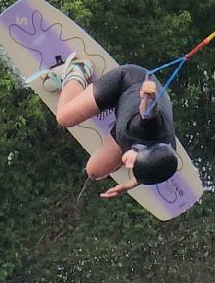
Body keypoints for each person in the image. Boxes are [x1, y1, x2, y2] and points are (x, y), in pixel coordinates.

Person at [32, 58, 180, 198]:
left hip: (128, 125)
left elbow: (149, 167)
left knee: (94, 171)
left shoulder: (164, 152)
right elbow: (148, 113)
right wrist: (149, 96)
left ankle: (116, 122)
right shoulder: (146, 126)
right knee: (64, 118)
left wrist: (128, 185)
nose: (127, 165)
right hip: (126, 84)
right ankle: (77, 70)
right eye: (133, 164)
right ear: (146, 151)